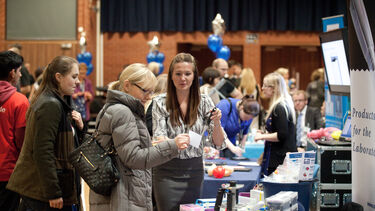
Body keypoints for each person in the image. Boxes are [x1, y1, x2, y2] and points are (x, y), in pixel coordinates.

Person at [89, 63, 190, 211]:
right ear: (127, 85)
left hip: (122, 192)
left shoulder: (115, 108)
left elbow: (124, 151)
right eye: (145, 91)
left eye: (151, 92)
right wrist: (172, 146)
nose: (148, 97)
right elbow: (133, 158)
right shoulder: (123, 112)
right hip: (123, 194)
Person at [7, 56, 85, 211]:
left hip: (51, 187)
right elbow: (43, 151)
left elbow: (68, 146)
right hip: (43, 192)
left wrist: (79, 129)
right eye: (74, 77)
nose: (78, 82)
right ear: (58, 77)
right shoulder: (50, 104)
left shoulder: (58, 102)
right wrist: (53, 192)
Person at [152, 53, 226, 210]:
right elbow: (158, 139)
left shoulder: (205, 101)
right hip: (166, 171)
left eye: (187, 74)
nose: (182, 78)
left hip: (194, 171)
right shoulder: (159, 102)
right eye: (178, 74)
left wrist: (217, 122)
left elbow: (218, 143)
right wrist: (174, 142)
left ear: (194, 76)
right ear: (171, 76)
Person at [0, 50, 29, 211]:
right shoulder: (19, 101)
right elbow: (21, 141)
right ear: (12, 73)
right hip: (8, 171)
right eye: (19, 72)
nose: (20, 76)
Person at [254, 72, 297, 176]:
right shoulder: (282, 105)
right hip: (279, 157)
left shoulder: (279, 107)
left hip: (280, 159)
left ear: (273, 88)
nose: (262, 88)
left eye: (265, 85)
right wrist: (266, 133)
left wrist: (262, 136)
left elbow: (281, 135)